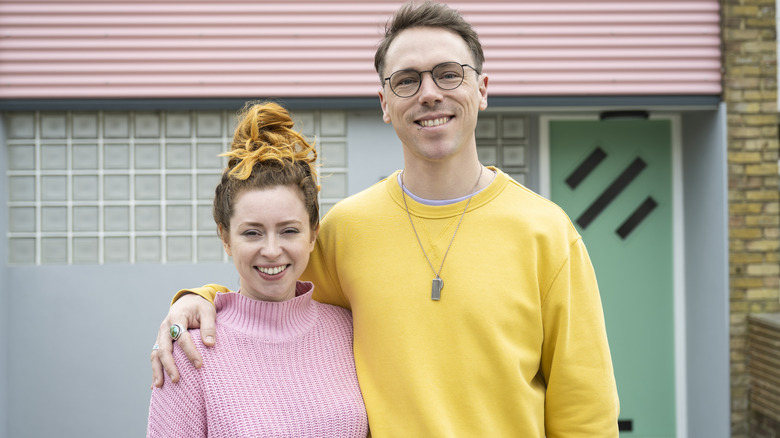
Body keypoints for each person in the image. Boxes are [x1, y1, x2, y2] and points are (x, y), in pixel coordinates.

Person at [151, 1, 620, 436]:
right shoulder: (347, 229)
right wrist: (200, 299)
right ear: (384, 102)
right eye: (407, 80)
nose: (429, 94)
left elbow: (585, 411)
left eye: (448, 74)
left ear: (482, 89)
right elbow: (274, 290)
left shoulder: (547, 232)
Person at [146, 102, 369, 437]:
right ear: (225, 238)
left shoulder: (348, 329)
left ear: (313, 234)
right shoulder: (189, 349)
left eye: (289, 230)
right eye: (252, 232)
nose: (271, 250)